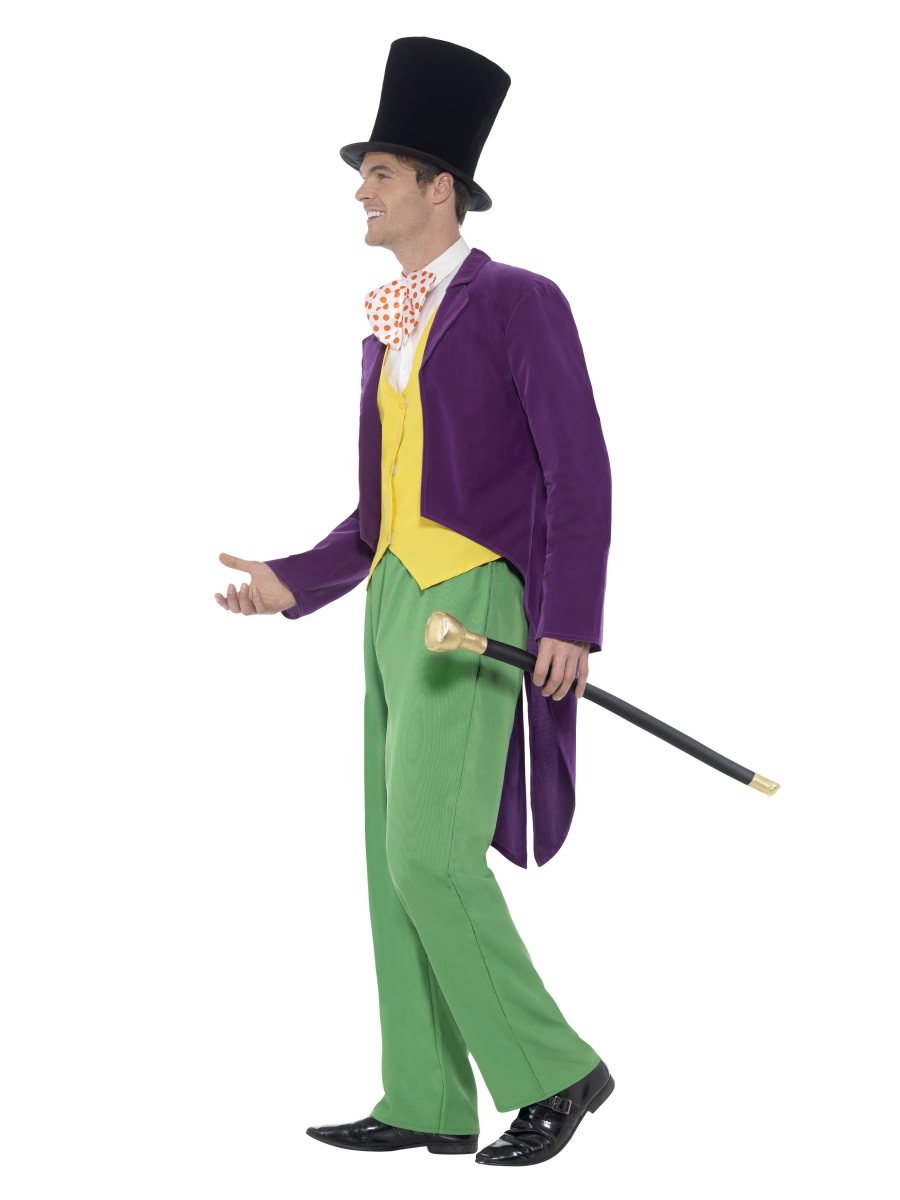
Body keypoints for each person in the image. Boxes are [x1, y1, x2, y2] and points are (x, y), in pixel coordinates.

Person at [215, 37, 614, 1167]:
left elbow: (577, 469)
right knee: (390, 859)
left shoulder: (520, 299)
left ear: (441, 188)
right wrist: (291, 580)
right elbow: (379, 507)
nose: (362, 193)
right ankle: (427, 1093)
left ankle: (557, 1069)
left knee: (432, 854)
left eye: (381, 174)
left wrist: (569, 619)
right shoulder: (389, 321)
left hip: (471, 597)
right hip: (392, 599)